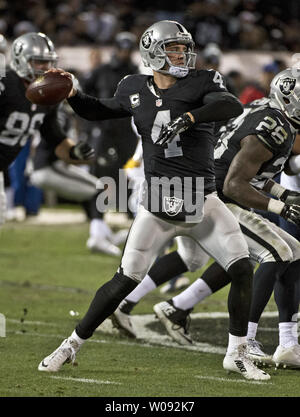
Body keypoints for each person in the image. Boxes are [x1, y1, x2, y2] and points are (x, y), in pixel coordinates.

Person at [38, 20, 270, 380]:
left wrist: (192, 116)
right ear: (153, 52)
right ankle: (70, 345)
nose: (182, 54)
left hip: (203, 199)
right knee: (124, 279)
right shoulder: (133, 87)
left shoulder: (202, 82)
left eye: (183, 48)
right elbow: (100, 109)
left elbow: (229, 104)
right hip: (159, 202)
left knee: (240, 268)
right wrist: (72, 93)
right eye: (174, 48)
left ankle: (236, 353)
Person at [112, 69, 300, 368]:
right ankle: (246, 340)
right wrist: (280, 207)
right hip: (216, 196)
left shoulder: (267, 112)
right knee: (274, 253)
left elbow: (249, 170)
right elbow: (235, 183)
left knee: (199, 258)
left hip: (204, 185)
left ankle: (162, 305)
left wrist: (282, 194)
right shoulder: (274, 125)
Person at [0, 32, 95, 228]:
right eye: (38, 62)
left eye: (48, 62)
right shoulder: (5, 84)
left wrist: (74, 151)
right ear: (20, 60)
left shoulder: (47, 95)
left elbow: (54, 136)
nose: (45, 68)